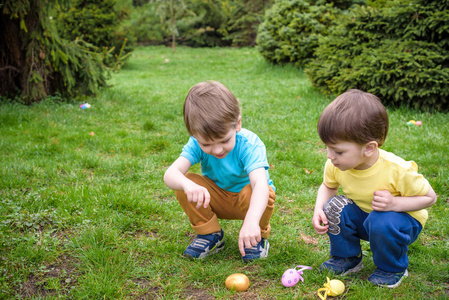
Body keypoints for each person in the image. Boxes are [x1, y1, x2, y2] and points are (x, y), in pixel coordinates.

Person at [312, 89, 437, 288]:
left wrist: (395, 203)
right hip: (366, 216)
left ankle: (392, 268)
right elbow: (328, 186)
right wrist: (319, 208)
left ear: (369, 148)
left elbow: (430, 198)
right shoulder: (336, 164)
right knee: (334, 206)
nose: (329, 155)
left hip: (401, 221)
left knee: (381, 219)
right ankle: (347, 257)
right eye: (327, 147)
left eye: (338, 151)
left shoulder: (397, 170)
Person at [164, 81, 276, 262]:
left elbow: (260, 185)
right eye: (206, 144)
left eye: (224, 140)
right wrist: (187, 184)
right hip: (215, 198)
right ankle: (210, 235)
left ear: (237, 124)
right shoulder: (195, 143)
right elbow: (170, 174)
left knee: (257, 191)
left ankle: (256, 237)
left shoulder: (249, 144)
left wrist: (252, 220)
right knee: (184, 180)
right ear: (194, 135)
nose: (217, 150)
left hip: (249, 202)